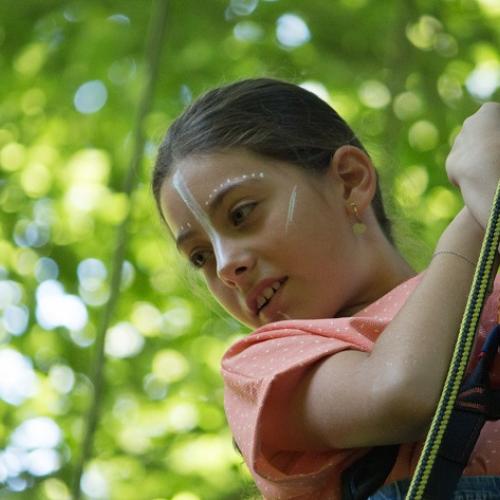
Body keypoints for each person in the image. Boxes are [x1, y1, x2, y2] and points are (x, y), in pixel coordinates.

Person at [152, 78, 500, 499]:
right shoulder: (263, 369)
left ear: (349, 181)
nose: (225, 266)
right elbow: (399, 390)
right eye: (200, 257)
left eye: (242, 214)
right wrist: (480, 212)